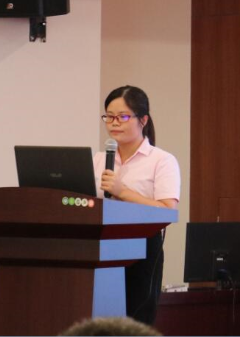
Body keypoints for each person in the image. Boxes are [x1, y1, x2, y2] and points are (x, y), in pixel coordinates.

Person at [94, 85, 181, 326]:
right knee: (102, 321)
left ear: (143, 120)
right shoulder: (99, 159)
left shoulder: (161, 160)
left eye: (122, 117)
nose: (114, 123)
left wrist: (123, 191)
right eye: (109, 117)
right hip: (101, 245)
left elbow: (168, 210)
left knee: (136, 322)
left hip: (142, 248)